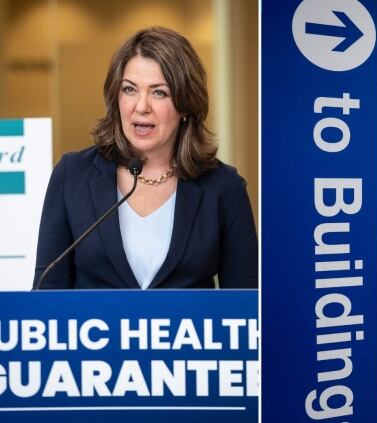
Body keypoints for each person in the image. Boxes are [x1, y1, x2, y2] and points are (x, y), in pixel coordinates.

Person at [33, 26, 258, 289]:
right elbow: (46, 295)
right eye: (130, 89)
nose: (141, 107)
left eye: (159, 92)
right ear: (115, 97)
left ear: (186, 105)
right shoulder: (72, 175)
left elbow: (247, 306)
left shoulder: (223, 186)